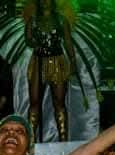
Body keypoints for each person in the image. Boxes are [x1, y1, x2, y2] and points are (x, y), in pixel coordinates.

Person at [25, 0, 77, 141]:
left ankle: (63, 140)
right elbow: (27, 39)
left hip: (57, 61)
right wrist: (33, 41)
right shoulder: (33, 20)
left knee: (59, 102)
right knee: (34, 102)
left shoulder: (61, 19)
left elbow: (67, 41)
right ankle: (31, 140)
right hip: (38, 61)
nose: (44, 2)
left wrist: (72, 61)